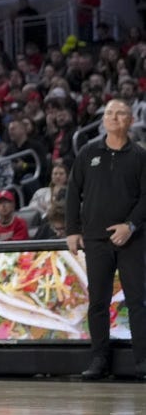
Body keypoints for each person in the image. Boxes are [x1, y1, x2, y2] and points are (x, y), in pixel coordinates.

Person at [65, 99, 146, 380]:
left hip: (132, 240)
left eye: (120, 112)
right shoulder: (88, 154)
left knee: (138, 301)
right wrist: (72, 231)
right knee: (98, 302)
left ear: (130, 120)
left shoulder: (140, 156)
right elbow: (73, 193)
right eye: (109, 113)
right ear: (103, 120)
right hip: (96, 239)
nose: (113, 117)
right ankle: (99, 360)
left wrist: (130, 226)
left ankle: (142, 361)